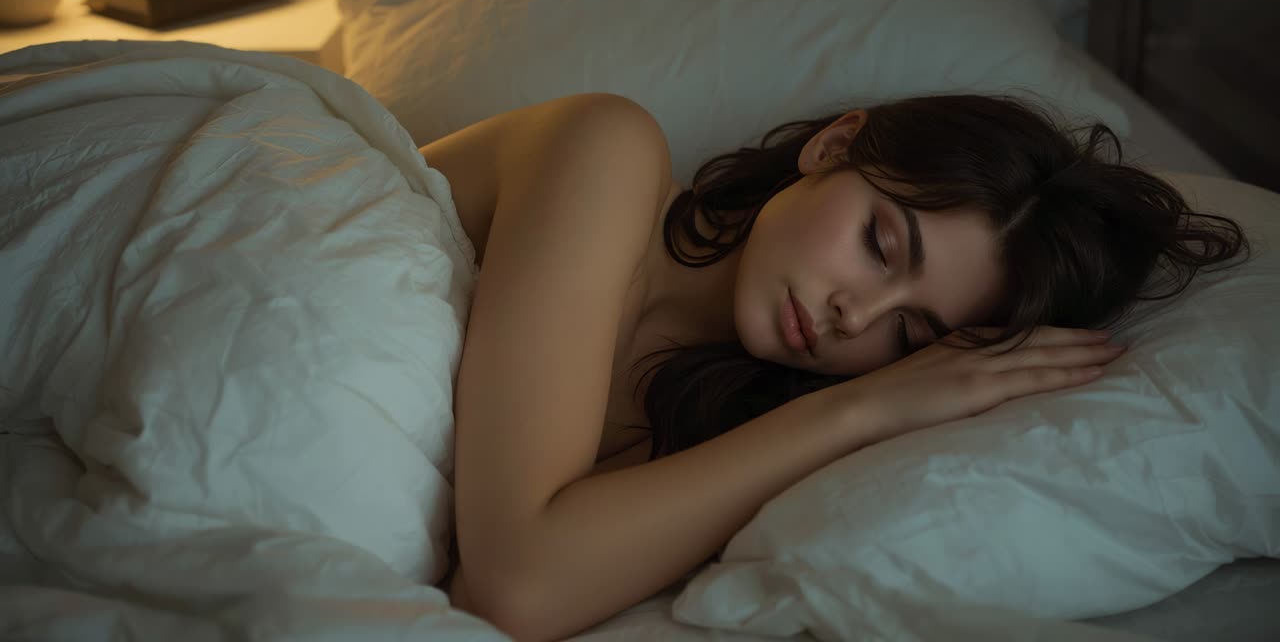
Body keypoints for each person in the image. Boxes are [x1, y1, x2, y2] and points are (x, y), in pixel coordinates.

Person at [420, 92, 1248, 641]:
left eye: (911, 337)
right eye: (880, 244)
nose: (857, 315)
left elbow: (502, 593)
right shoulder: (606, 149)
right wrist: (862, 409)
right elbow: (515, 582)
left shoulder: (712, 419)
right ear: (834, 144)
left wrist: (872, 409)